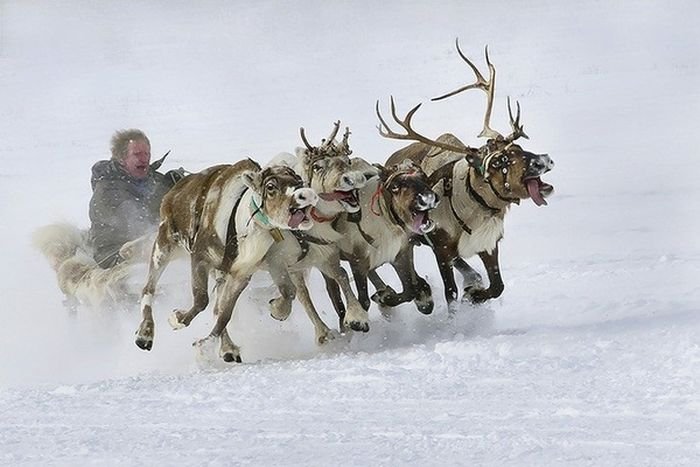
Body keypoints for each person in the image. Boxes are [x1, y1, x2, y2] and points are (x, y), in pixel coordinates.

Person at [89, 129, 183, 268]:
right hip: (115, 253)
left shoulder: (156, 180)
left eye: (147, 154)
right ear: (121, 158)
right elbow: (137, 222)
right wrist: (163, 195)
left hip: (152, 246)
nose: (144, 159)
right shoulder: (107, 189)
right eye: (137, 154)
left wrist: (179, 189)